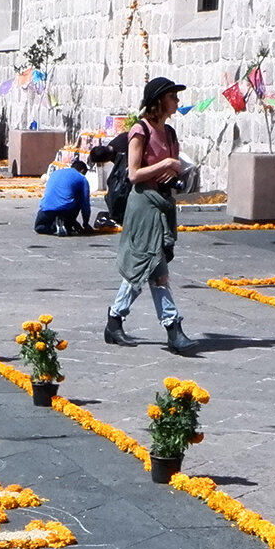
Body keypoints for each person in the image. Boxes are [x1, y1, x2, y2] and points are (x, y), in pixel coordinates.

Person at [104, 76, 195, 355]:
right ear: (158, 101)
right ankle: (172, 328)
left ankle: (115, 320)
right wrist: (165, 164)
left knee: (147, 266)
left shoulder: (169, 133)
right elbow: (133, 174)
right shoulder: (139, 131)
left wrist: (174, 170)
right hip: (143, 205)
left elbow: (173, 168)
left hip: (163, 203)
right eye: (172, 96)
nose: (177, 101)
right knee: (153, 268)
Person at [34, 156, 92, 235]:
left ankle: (56, 225)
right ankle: (65, 224)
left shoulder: (55, 173)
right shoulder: (82, 178)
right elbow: (85, 204)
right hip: (66, 208)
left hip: (46, 207)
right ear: (82, 171)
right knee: (79, 195)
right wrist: (85, 223)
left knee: (39, 227)